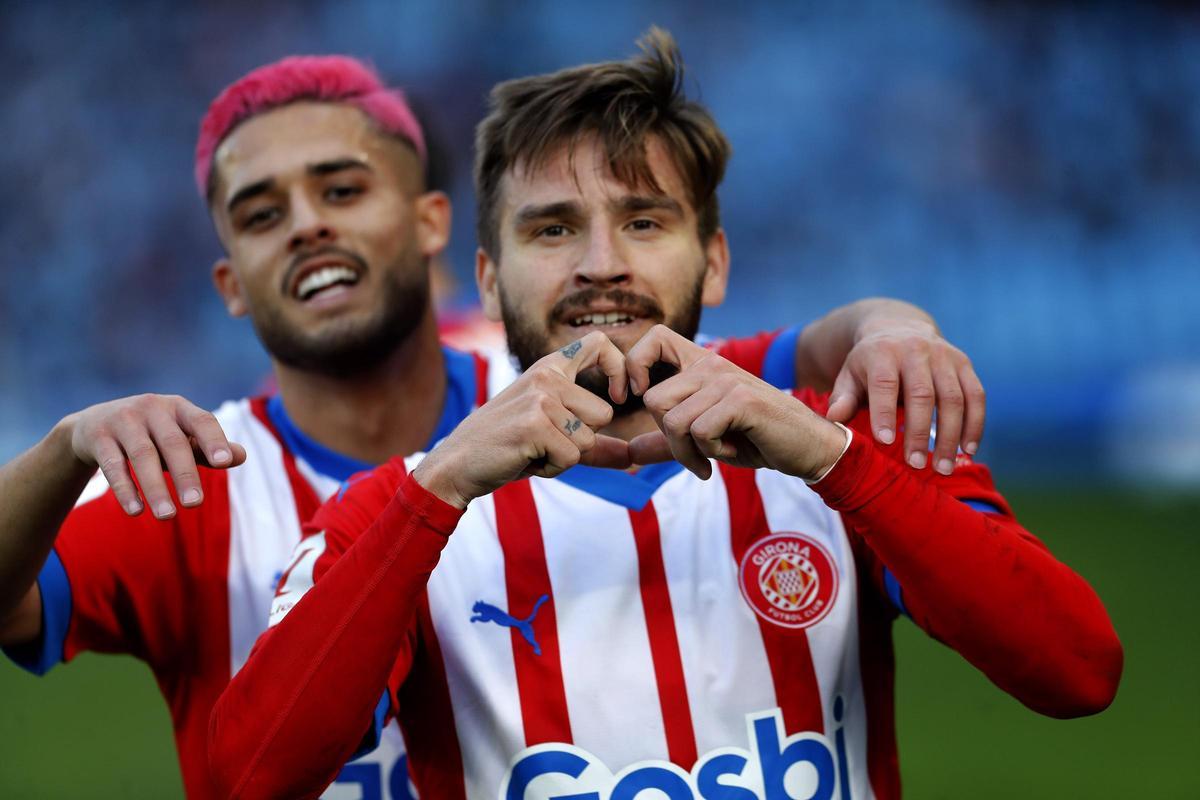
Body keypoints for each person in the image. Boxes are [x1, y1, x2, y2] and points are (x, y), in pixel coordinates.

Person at [0, 55, 984, 799]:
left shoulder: (567, 397)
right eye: (261, 214)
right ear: (228, 282)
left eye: (341, 190)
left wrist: (892, 322)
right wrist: (61, 447)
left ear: (435, 228)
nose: (307, 225)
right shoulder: (203, 476)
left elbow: (784, 366)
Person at [208, 31, 1123, 800]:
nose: (601, 263)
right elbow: (253, 775)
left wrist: (834, 459)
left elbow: (1077, 672)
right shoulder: (401, 507)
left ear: (713, 263)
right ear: (487, 280)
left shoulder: (837, 458)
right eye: (553, 228)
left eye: (644, 222)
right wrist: (437, 489)